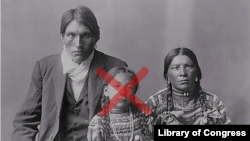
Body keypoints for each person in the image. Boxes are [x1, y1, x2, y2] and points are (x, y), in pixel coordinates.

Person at [12, 5, 127, 141]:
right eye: (71, 35)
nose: (78, 43)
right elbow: (24, 123)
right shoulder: (44, 68)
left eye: (85, 35)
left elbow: (127, 119)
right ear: (62, 37)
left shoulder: (114, 68)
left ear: (96, 37)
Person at [146, 47, 231, 126]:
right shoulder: (154, 103)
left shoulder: (212, 102)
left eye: (188, 66)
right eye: (176, 67)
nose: (183, 73)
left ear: (196, 72)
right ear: (167, 75)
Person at [87, 66, 153, 141]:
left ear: (134, 92)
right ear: (106, 91)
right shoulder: (98, 122)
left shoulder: (143, 117)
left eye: (129, 87)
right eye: (117, 86)